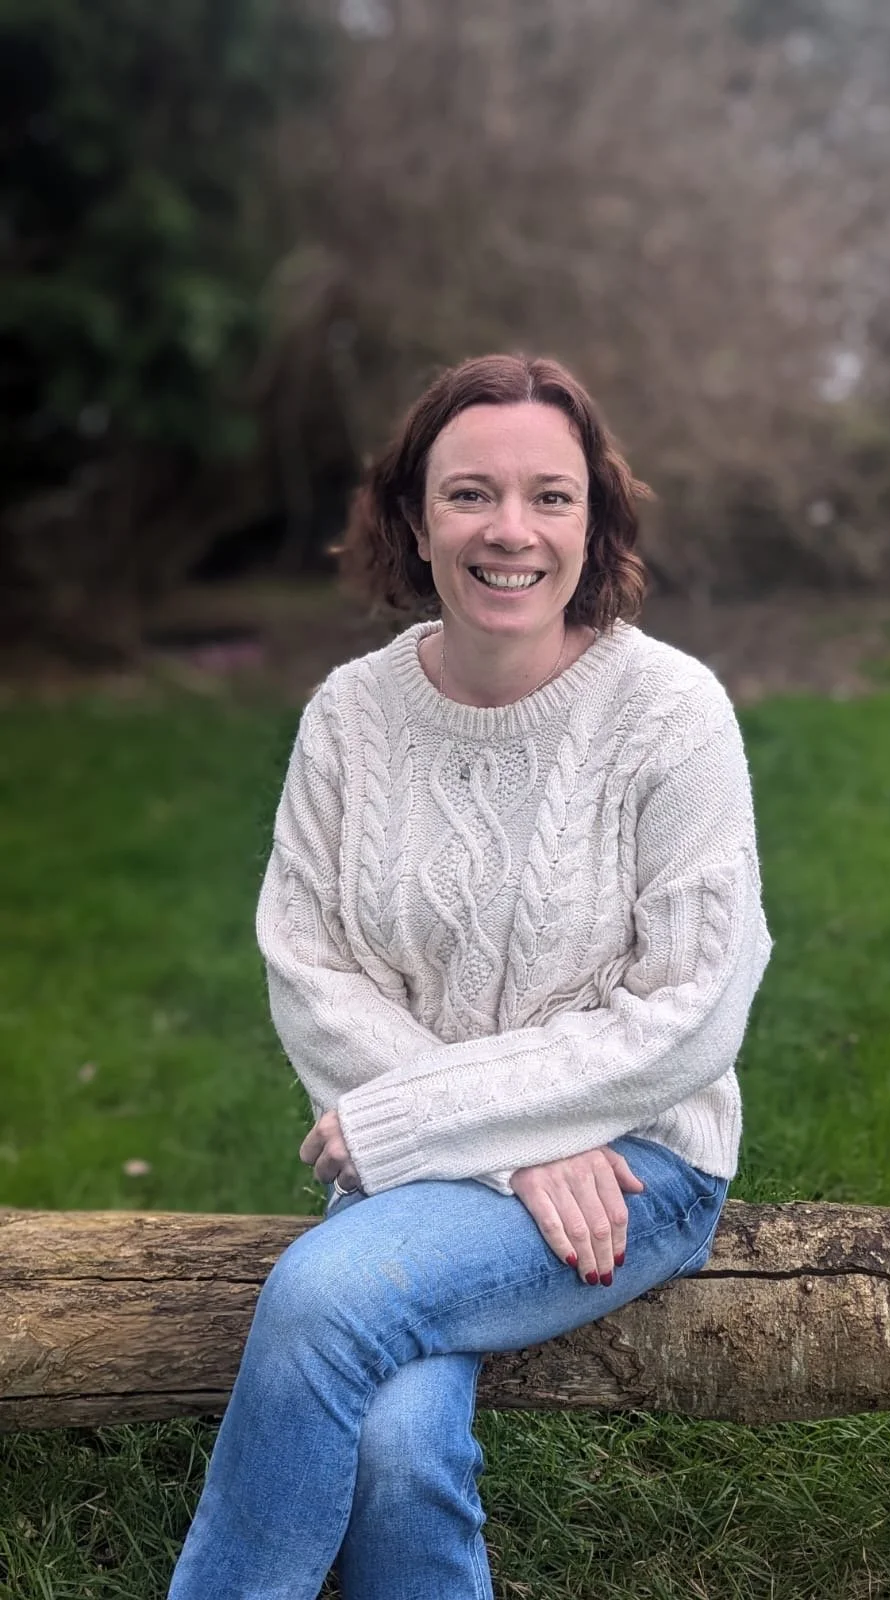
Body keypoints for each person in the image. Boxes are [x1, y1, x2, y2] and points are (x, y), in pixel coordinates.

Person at [168, 353, 772, 1600]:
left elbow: (691, 1009)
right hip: (455, 1157)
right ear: (411, 517)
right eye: (471, 495)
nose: (512, 530)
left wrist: (438, 1120)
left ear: (594, 519)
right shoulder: (349, 713)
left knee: (326, 1291)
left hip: (637, 1164)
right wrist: (505, 1143)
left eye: (551, 496)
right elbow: (309, 963)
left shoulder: (671, 712)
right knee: (391, 1437)